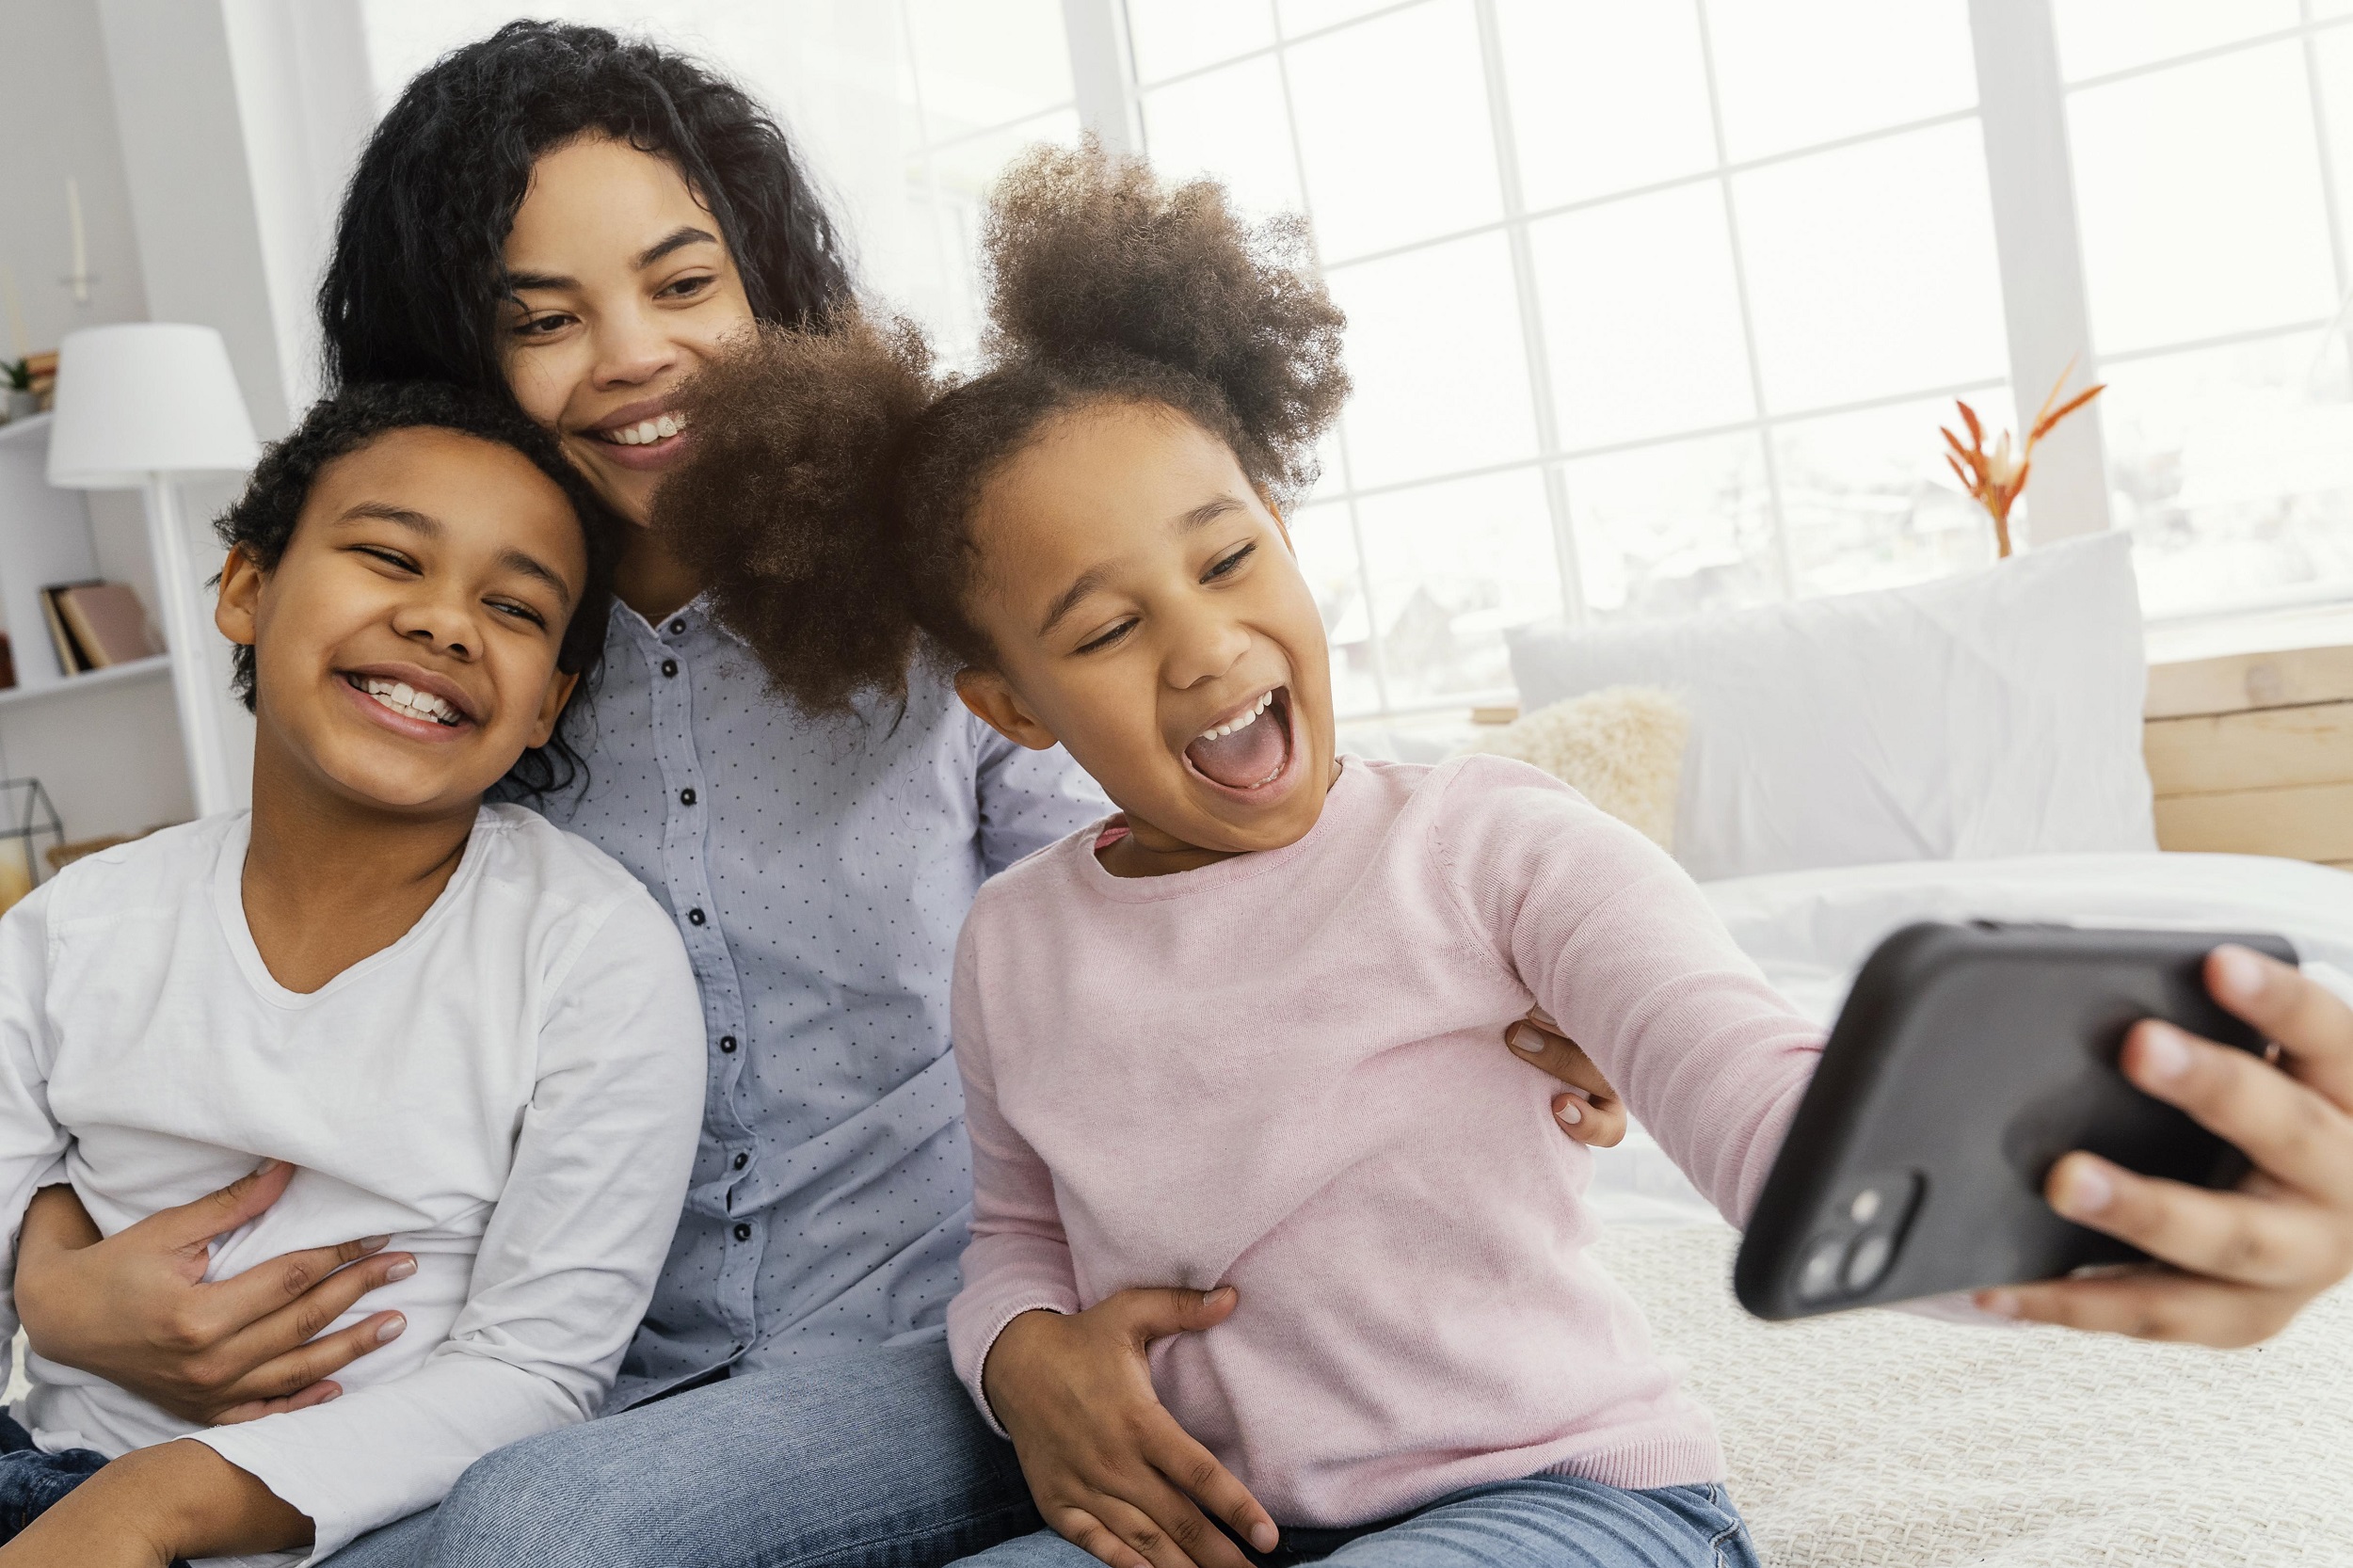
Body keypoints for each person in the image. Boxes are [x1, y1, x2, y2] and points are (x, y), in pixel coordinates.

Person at [7, 25, 1625, 1568]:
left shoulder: (952, 584)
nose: (636, 358)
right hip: (580, 1368)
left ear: (765, 282)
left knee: (535, 1539)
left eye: (683, 281)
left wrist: (1496, 982)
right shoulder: (471, 663)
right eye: (545, 316)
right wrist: (55, 1282)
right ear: (461, 350)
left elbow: (1197, 872)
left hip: (940, 1341)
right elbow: (241, 1031)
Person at [662, 140, 2353, 1568]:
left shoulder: (1492, 843)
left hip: (1556, 1501)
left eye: (1230, 554)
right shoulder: (1014, 940)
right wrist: (1024, 1350)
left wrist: (2088, 1208)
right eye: (1104, 628)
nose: (1202, 643)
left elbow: (1768, 1107)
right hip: (1234, 1522)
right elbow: (1016, 1231)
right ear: (1008, 706)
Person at [0, 382, 704, 1566]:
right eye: (388, 556)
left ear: (550, 704)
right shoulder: (74, 931)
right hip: (42, 1480)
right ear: (246, 588)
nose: (444, 624)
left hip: (367, 1527)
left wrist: (157, 1501)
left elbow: (536, 1373)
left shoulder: (591, 952)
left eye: (515, 608)